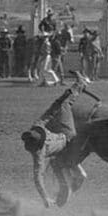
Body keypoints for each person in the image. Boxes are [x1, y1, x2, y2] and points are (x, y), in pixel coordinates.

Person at [21, 71, 91, 208]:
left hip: (61, 132)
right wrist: (44, 197)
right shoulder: (39, 155)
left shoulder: (37, 127)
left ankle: (80, 83)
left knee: (62, 104)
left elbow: (52, 110)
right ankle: (62, 189)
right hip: (67, 138)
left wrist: (68, 93)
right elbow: (38, 178)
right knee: (64, 109)